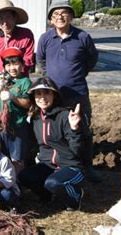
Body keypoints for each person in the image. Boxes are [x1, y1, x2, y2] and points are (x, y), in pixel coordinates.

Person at [36, 0, 100, 182]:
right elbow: (41, 61)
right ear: (50, 18)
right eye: (55, 13)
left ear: (71, 16)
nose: (60, 16)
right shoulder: (46, 38)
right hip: (54, 96)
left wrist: (77, 74)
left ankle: (87, 167)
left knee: (83, 130)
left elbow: (91, 59)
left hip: (78, 93)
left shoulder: (82, 37)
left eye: (64, 12)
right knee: (57, 131)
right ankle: (62, 165)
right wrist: (51, 78)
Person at [18, 77, 86, 211]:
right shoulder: (36, 118)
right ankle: (47, 196)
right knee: (24, 176)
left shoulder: (65, 116)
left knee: (53, 183)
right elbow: (33, 144)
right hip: (47, 164)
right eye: (38, 94)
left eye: (47, 93)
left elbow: (77, 149)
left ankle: (75, 198)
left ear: (54, 95)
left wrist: (74, 129)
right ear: (33, 97)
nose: (42, 98)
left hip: (70, 166)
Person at [0, 47, 31, 173]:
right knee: (1, 156)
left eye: (15, 63)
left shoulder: (25, 82)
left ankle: (17, 183)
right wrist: (1, 84)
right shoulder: (4, 80)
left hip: (17, 126)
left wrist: (13, 97)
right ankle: (4, 181)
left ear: (22, 64)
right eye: (8, 64)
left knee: (17, 158)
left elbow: (28, 104)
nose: (12, 68)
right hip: (1, 126)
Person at [0, 0, 34, 76]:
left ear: (15, 17)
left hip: (20, 80)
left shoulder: (26, 35)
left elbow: (28, 59)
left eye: (8, 17)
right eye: (1, 18)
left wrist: (16, 70)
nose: (5, 23)